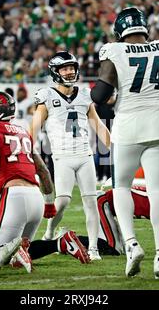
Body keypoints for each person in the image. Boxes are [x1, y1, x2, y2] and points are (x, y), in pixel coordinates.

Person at [90, 7, 159, 278]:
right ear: (144, 28)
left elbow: (100, 94)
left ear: (119, 31)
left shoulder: (114, 51)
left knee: (121, 186)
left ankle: (132, 245)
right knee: (158, 191)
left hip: (128, 127)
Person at [0, 91, 62, 265]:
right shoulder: (23, 132)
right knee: (15, 254)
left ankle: (47, 247)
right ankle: (60, 244)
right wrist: (49, 203)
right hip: (36, 198)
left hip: (14, 197)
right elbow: (43, 170)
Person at [31, 51, 111, 262]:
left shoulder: (85, 94)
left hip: (85, 154)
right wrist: (28, 147)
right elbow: (35, 126)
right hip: (62, 155)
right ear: (56, 72)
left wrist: (114, 147)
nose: (69, 72)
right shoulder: (46, 96)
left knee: (91, 201)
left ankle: (93, 248)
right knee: (63, 200)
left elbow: (97, 124)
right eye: (65, 68)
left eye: (72, 68)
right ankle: (49, 233)